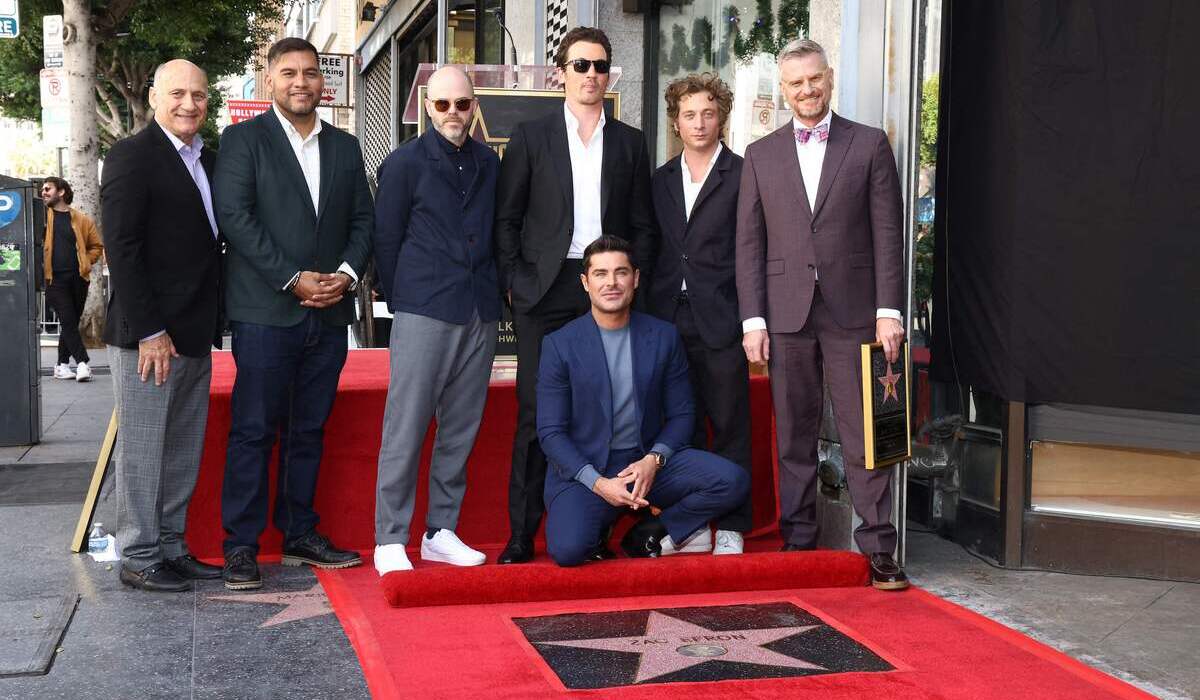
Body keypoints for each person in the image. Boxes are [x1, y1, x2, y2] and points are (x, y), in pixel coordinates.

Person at [735, 39, 908, 590]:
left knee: (866, 435)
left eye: (814, 80)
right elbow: (749, 245)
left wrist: (889, 311)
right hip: (785, 317)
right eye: (795, 83)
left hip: (856, 313)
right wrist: (753, 321)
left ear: (829, 78)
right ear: (783, 90)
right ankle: (799, 543)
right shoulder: (760, 155)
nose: (806, 90)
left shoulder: (870, 144)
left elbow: (888, 234)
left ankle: (879, 547)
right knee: (793, 435)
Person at [214, 37, 373, 591]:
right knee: (254, 430)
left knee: (309, 429)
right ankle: (240, 546)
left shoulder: (347, 147)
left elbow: (363, 221)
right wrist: (292, 277)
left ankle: (300, 532)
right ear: (271, 80)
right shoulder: (242, 141)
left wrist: (347, 276)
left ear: (322, 83)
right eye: (289, 73)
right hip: (265, 313)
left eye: (309, 73)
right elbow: (236, 219)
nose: (301, 82)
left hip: (328, 314)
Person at [494, 26, 657, 564]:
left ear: (610, 74)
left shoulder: (631, 142)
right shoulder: (531, 136)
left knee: (607, 410)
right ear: (560, 72)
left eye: (600, 66)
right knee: (536, 412)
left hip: (608, 286)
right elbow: (508, 219)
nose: (591, 75)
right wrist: (516, 282)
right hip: (545, 288)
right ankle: (522, 534)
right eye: (581, 65)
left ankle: (599, 529)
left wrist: (634, 280)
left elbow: (643, 224)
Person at [538, 235, 748, 567]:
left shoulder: (663, 336)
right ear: (585, 282)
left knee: (732, 481)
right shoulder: (559, 345)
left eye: (621, 272)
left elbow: (683, 414)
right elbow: (551, 433)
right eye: (601, 274)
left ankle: (651, 529)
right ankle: (602, 521)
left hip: (646, 465)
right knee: (568, 551)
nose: (611, 282)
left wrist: (655, 459)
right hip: (591, 470)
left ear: (635, 279)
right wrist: (598, 483)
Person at [101, 59, 224, 592]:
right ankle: (139, 552)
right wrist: (150, 329)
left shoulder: (209, 160)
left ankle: (172, 545)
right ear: (153, 97)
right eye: (177, 93)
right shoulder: (132, 156)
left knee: (181, 447)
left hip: (195, 329)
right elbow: (122, 250)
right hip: (148, 336)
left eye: (198, 94)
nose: (189, 104)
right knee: (144, 447)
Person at [371, 67, 500, 575]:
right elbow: (386, 238)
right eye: (443, 104)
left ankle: (440, 530)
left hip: (479, 309)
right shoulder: (403, 163)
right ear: (428, 106)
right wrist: (404, 299)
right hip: (424, 306)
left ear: (473, 107)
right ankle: (390, 536)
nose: (453, 113)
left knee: (460, 429)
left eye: (462, 104)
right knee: (405, 424)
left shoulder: (489, 163)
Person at [647, 74, 751, 556]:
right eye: (689, 114)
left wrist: (752, 319)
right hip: (667, 317)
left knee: (729, 422)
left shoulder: (743, 173)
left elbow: (753, 250)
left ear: (722, 117)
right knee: (678, 426)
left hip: (721, 316)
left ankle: (731, 524)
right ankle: (686, 527)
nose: (700, 122)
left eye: (708, 113)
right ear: (675, 121)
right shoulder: (661, 179)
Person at [41, 177, 103, 382]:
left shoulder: (82, 219)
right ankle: (83, 363)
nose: (43, 192)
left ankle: (61, 365)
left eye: (48, 188)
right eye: (43, 189)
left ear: (61, 192)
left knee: (71, 322)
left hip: (78, 279)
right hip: (54, 280)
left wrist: (86, 261)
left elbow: (96, 246)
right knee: (67, 319)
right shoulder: (42, 217)